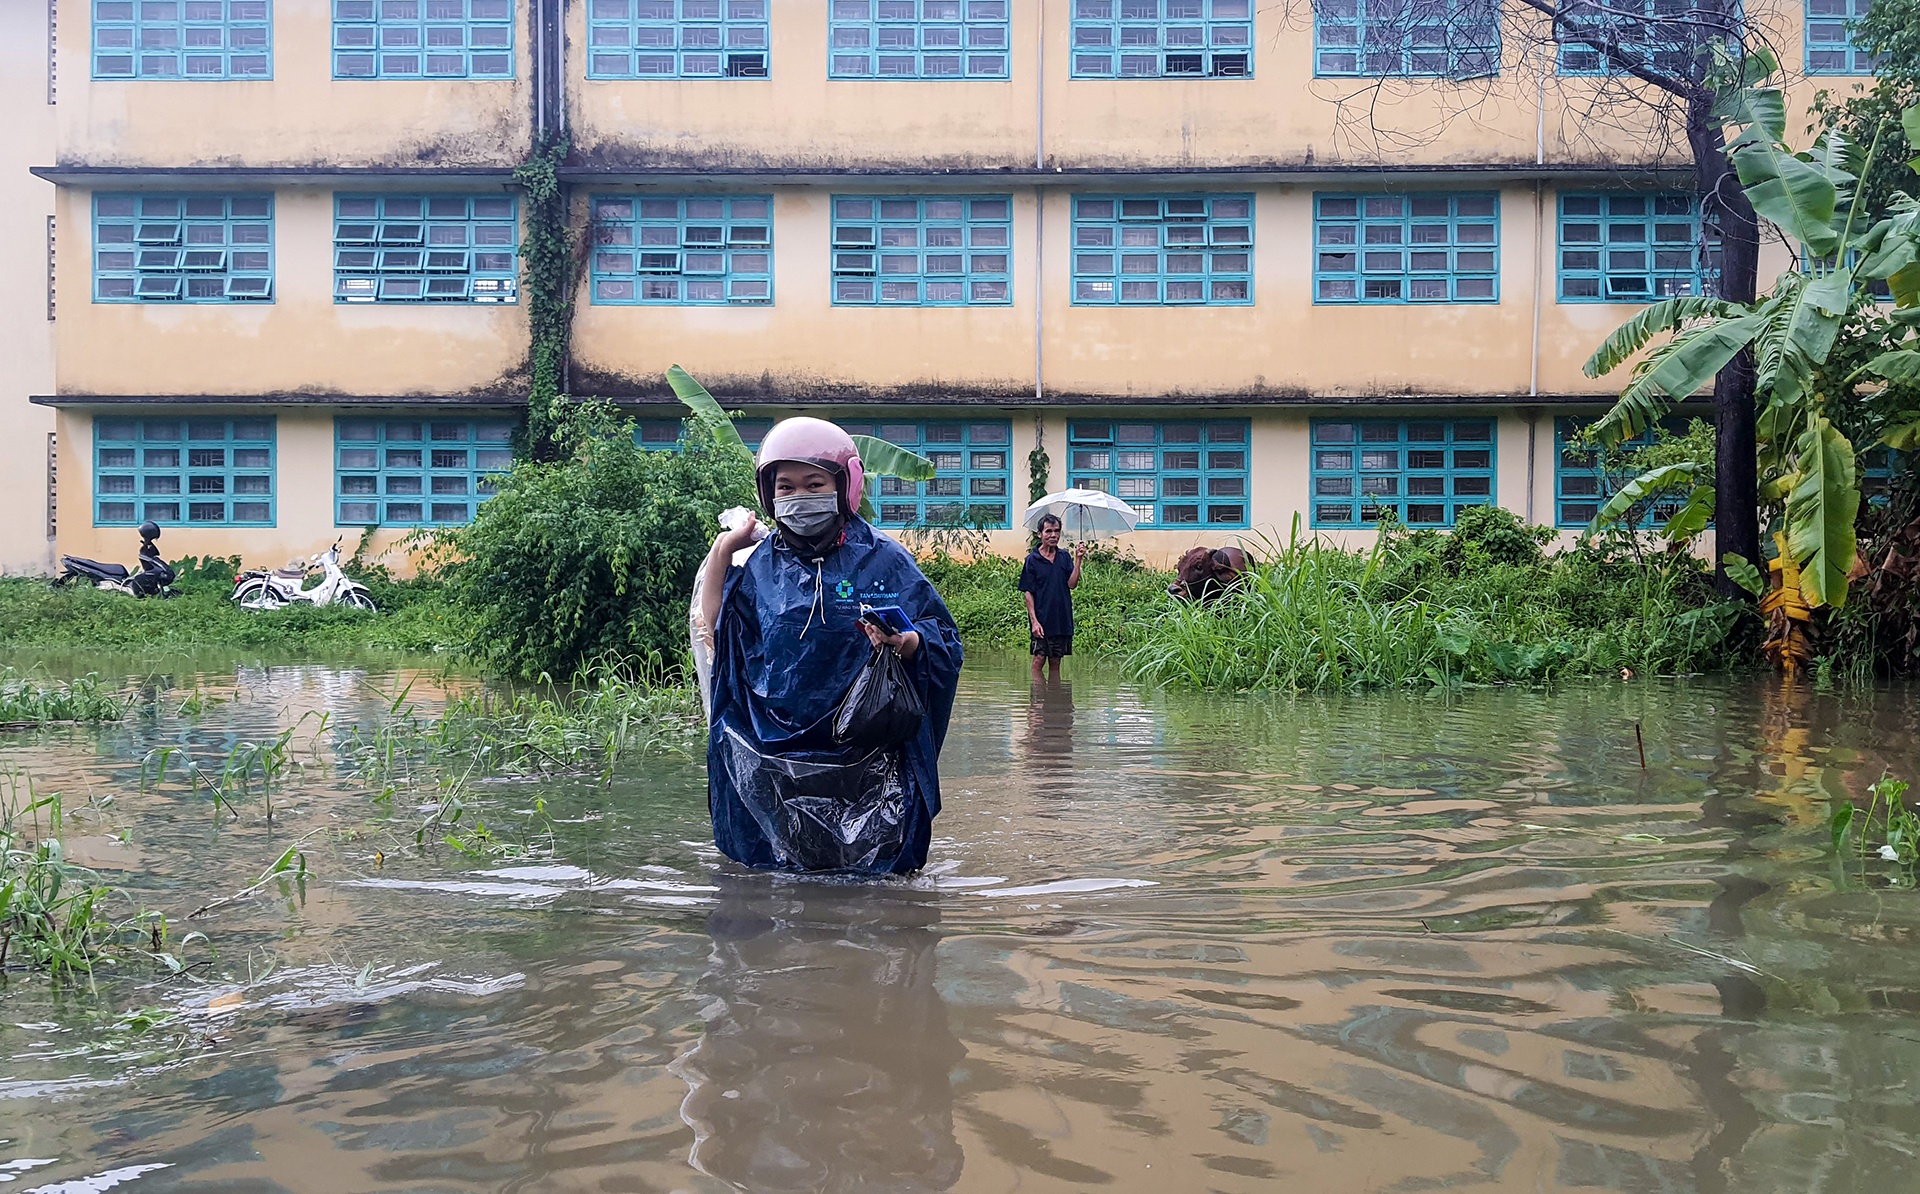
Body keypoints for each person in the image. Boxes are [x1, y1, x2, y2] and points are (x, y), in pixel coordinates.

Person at [695, 417, 963, 875]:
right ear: (768, 493)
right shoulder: (755, 564)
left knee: (871, 889)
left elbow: (944, 642)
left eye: (814, 483)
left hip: (866, 754)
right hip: (774, 754)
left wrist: (908, 642)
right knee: (782, 883)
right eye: (786, 486)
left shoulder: (883, 558)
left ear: (846, 485)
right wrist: (723, 551)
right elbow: (715, 630)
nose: (800, 497)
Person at [1018, 514, 1084, 682]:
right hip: (1041, 618)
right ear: (1040, 534)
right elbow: (1028, 592)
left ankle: (1055, 701)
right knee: (1039, 659)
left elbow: (1072, 584)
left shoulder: (1064, 558)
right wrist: (1034, 621)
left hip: (1061, 618)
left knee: (1056, 661)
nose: (1053, 535)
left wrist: (1078, 560)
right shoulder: (1032, 560)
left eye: (1056, 531)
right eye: (1048, 531)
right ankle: (1038, 702)